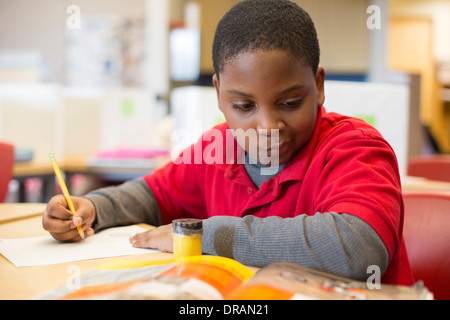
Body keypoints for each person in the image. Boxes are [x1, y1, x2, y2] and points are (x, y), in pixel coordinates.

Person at [43, 0, 414, 285]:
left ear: (318, 86)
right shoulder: (216, 149)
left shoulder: (355, 149)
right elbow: (151, 196)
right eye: (244, 106)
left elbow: (357, 246)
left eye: (289, 103)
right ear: (219, 95)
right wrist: (92, 208)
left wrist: (211, 234)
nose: (267, 126)